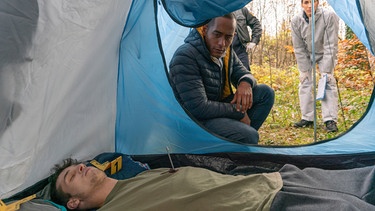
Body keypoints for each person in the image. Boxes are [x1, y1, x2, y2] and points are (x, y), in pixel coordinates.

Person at [49, 158, 375, 210]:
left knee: (369, 178)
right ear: (73, 203)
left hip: (275, 180)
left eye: (79, 165)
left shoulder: (137, 176)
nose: (81, 167)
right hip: (267, 206)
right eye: (71, 176)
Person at [169, 13, 274, 144]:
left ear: (233, 36)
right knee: (249, 135)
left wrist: (245, 82)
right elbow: (198, 108)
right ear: (205, 29)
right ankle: (237, 141)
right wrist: (239, 112)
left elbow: (243, 72)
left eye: (228, 37)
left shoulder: (226, 52)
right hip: (193, 121)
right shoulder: (186, 56)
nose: (222, 43)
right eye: (217, 35)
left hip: (216, 110)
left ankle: (235, 144)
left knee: (265, 93)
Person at [291, 0, 339, 132]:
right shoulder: (296, 20)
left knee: (327, 82)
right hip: (307, 54)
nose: (309, 6)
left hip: (325, 52)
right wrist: (305, 69)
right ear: (301, 4)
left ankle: (330, 120)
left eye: (313, 2)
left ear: (318, 2)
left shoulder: (329, 16)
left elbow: (331, 44)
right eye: (306, 2)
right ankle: (307, 118)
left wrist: (327, 70)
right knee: (305, 81)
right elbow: (298, 47)